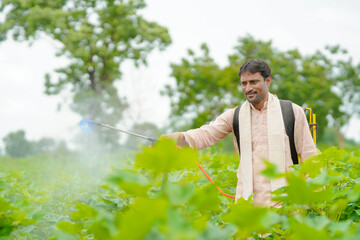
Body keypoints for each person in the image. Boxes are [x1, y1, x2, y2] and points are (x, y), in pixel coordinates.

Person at [164, 59, 318, 207]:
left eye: (253, 82)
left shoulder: (291, 112)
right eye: (244, 83)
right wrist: (176, 138)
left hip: (285, 206)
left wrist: (315, 200)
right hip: (247, 207)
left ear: (268, 81)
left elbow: (310, 157)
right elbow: (205, 134)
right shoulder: (235, 115)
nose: (248, 88)